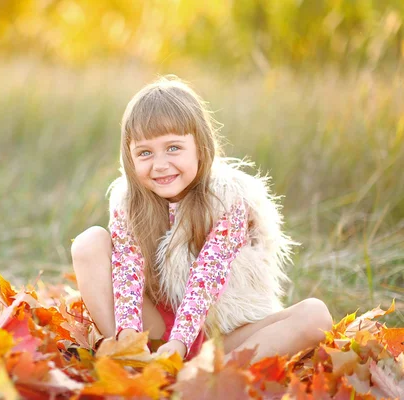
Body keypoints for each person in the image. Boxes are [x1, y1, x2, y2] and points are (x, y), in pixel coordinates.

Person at [71, 75, 333, 362]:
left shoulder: (228, 198)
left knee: (315, 314)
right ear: (130, 159)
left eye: (173, 148)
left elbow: (206, 278)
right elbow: (127, 272)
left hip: (220, 336)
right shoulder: (128, 201)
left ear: (200, 147)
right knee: (89, 242)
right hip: (156, 329)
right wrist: (130, 333)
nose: (160, 165)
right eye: (145, 152)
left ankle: (202, 378)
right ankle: (127, 356)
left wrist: (181, 343)